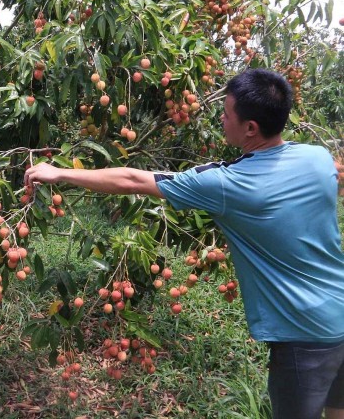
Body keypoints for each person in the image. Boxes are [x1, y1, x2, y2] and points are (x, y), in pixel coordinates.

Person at [24, 69, 344, 419]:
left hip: (305, 335)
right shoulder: (318, 159)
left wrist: (60, 173)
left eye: (225, 113)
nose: (220, 118)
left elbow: (132, 179)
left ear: (250, 128)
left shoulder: (227, 184)